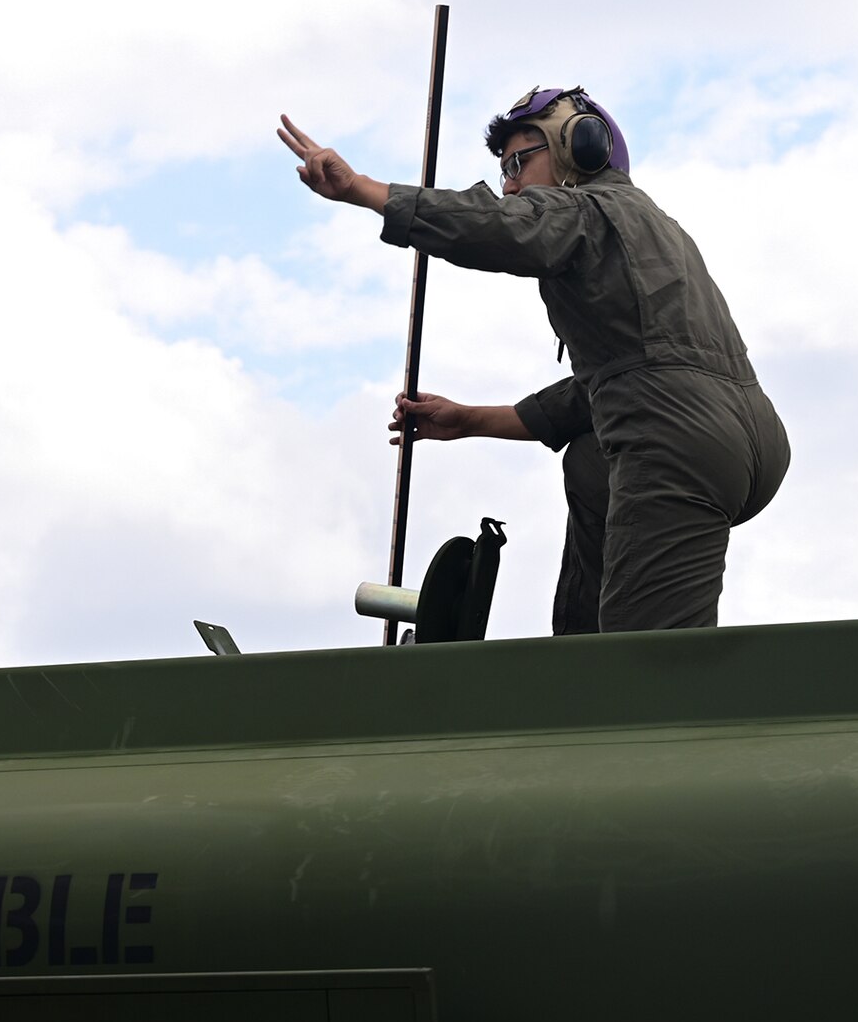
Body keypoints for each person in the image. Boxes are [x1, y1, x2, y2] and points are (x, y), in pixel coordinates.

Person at [278, 87, 789, 634]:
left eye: (521, 161)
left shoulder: (585, 211)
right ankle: (582, 657)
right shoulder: (659, 229)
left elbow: (493, 225)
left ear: (580, 150)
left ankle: (619, 683)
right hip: (744, 435)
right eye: (504, 171)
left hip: (677, 444)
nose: (511, 183)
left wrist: (363, 191)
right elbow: (612, 387)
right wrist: (472, 420)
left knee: (647, 666)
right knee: (591, 461)